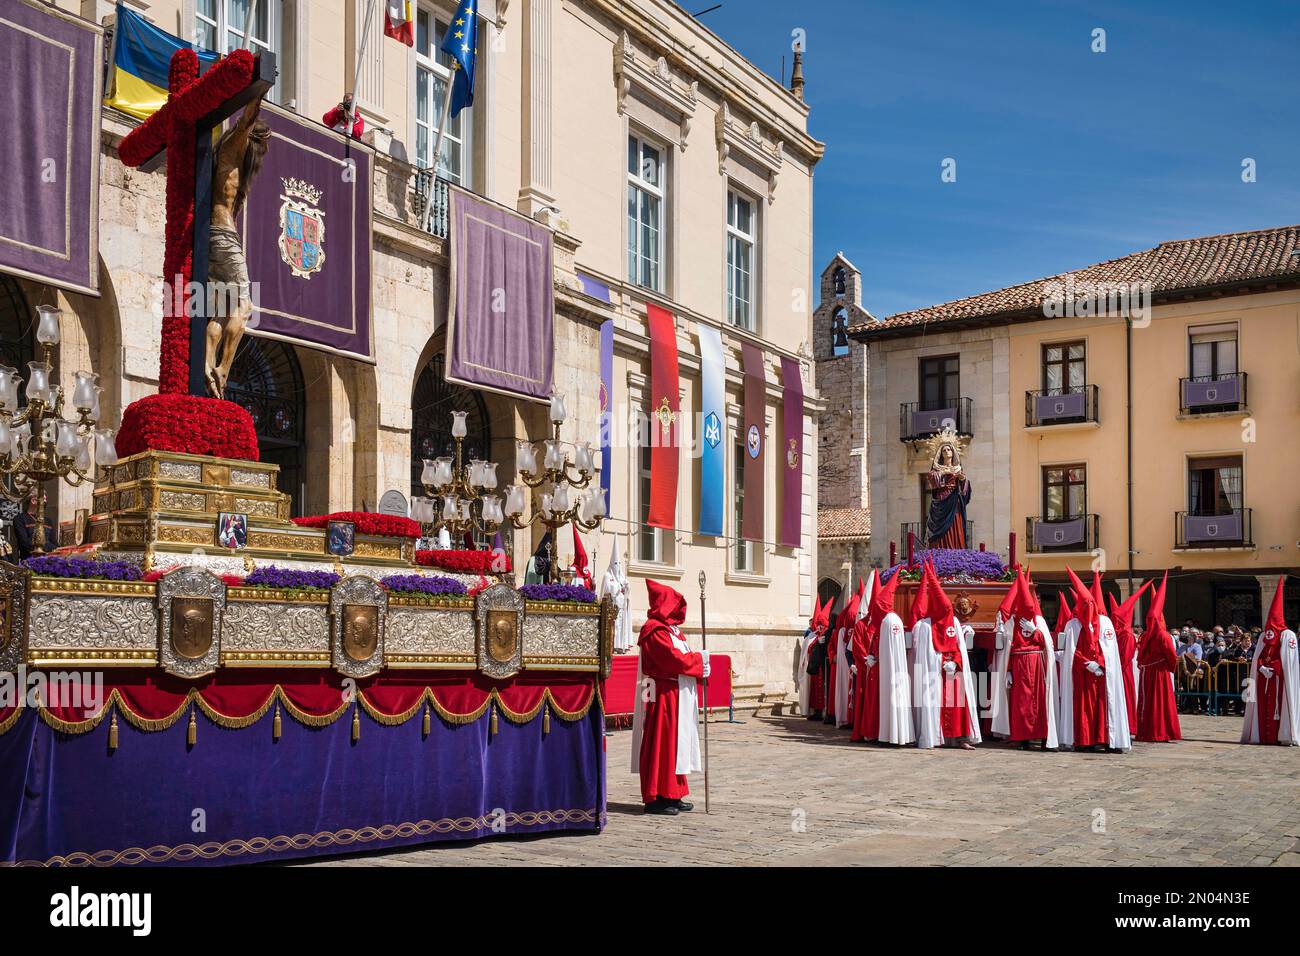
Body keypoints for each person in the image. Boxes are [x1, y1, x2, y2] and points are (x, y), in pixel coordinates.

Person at [207, 95, 270, 397]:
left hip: (211, 236)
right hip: (223, 235)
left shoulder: (225, 158)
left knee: (219, 310)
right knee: (244, 306)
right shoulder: (236, 144)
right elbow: (247, 118)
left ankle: (208, 362)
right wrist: (258, 89)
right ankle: (223, 368)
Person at [629, 580, 710, 814]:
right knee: (663, 744)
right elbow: (673, 659)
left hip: (679, 693)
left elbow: (681, 655)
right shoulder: (654, 631)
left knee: (678, 744)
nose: (677, 609)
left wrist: (697, 660)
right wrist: (699, 660)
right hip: (663, 694)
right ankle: (657, 797)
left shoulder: (673, 631)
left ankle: (674, 793)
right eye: (673, 604)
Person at [911, 562, 981, 749]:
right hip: (935, 674)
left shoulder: (954, 622)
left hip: (953, 672)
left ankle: (961, 738)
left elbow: (960, 648)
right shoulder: (925, 626)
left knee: (958, 706)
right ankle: (936, 736)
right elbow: (923, 655)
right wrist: (941, 661)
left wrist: (955, 663)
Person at [1063, 567, 1131, 753]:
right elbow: (1071, 651)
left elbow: (1110, 650)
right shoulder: (1073, 625)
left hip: (1103, 676)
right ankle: (1086, 741)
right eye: (1085, 604)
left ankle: (1108, 740)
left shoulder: (1105, 623)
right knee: (1085, 709)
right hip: (1083, 677)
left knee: (1105, 707)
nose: (1089, 608)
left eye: (1090, 604)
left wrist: (1101, 663)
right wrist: (1088, 664)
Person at [990, 570, 1058, 750]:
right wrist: (1009, 671)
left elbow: (1046, 644)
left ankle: (1043, 737)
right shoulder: (1013, 621)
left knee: (1039, 701)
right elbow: (1009, 647)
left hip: (1036, 665)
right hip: (1019, 664)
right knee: (1021, 703)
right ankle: (1023, 738)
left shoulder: (1039, 621)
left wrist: (1035, 631)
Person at [851, 569, 915, 745]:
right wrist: (868, 659)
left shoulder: (889, 622)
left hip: (883, 671)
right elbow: (862, 646)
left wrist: (875, 657)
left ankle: (885, 733)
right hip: (872, 670)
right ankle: (873, 732)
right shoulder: (869, 624)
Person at [1240, 580, 1299, 746]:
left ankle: (1282, 735)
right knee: (1264, 707)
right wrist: (1261, 667)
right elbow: (1258, 655)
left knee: (1278, 708)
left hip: (1279, 680)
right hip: (1263, 680)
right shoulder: (1263, 636)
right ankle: (1262, 736)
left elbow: (1289, 661)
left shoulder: (1288, 636)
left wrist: (1274, 669)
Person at [1135, 571, 1180, 742]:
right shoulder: (1153, 635)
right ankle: (1149, 731)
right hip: (1153, 672)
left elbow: (1170, 654)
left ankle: (1158, 731)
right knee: (1151, 702)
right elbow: (1170, 655)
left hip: (1157, 673)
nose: (1151, 621)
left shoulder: (1160, 635)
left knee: (1157, 703)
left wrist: (1169, 668)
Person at [1107, 581, 1151, 734]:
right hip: (1114, 670)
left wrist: (1112, 668)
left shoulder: (1127, 635)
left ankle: (1128, 726)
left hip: (1123, 672)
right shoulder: (1115, 633)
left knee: (1125, 698)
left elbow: (1125, 658)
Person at [924, 437, 971, 550]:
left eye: (948, 449)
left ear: (953, 452)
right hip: (941, 500)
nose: (946, 452)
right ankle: (941, 553)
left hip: (954, 502)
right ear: (941, 454)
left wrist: (962, 478)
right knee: (941, 531)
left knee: (955, 526)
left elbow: (965, 488)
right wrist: (944, 472)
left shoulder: (958, 468)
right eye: (944, 450)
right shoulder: (937, 469)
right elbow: (932, 478)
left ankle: (955, 553)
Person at [796, 597, 831, 718]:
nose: (820, 627)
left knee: (824, 690)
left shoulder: (829, 634)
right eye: (819, 624)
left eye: (823, 625)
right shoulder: (812, 636)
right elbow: (807, 650)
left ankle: (824, 711)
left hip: (824, 668)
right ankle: (815, 711)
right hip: (814, 669)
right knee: (815, 691)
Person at [600, 545, 633, 653]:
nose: (617, 566)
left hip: (622, 607)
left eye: (619, 563)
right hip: (612, 607)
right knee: (614, 627)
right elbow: (608, 589)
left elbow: (627, 591)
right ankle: (612, 646)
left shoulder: (622, 576)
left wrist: (627, 586)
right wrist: (618, 586)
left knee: (621, 626)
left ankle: (621, 645)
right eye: (615, 563)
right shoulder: (607, 575)